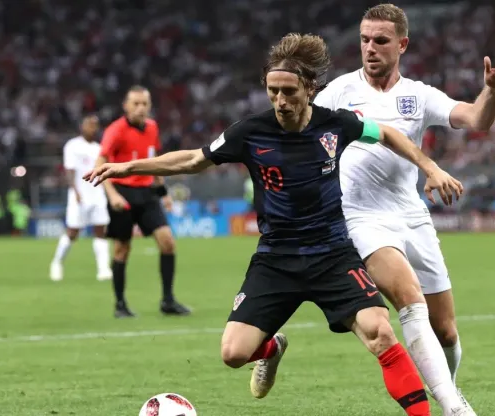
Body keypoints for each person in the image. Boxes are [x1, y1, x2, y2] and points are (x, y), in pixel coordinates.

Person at [84, 33, 472, 416]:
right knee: (233, 354)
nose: (280, 101)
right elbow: (193, 160)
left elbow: (386, 133)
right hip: (276, 259)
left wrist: (430, 167)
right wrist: (128, 167)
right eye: (273, 91)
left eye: (289, 91)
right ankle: (271, 349)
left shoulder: (335, 124)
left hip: (333, 255)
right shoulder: (250, 131)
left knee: (381, 333)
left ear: (310, 88)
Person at [313, 2, 495, 401]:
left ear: (402, 44)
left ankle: (449, 390)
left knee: (446, 330)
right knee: (410, 300)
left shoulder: (418, 95)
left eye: (380, 40)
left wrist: (492, 92)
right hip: (361, 217)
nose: (370, 48)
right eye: (364, 40)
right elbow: (302, 137)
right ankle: (453, 406)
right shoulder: (339, 91)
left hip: (412, 215)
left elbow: (476, 119)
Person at [96, 86, 191, 318]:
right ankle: (120, 305)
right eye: (136, 104)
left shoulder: (152, 128)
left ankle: (168, 301)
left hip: (147, 193)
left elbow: (154, 162)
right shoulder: (115, 130)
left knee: (167, 242)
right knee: (122, 248)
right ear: (126, 106)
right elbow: (100, 162)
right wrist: (113, 195)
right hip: (122, 192)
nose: (140, 108)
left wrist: (163, 193)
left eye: (144, 104)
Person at [50, 115, 113, 281]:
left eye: (95, 125)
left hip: (97, 195)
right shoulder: (73, 146)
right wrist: (75, 191)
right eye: (89, 125)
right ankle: (57, 262)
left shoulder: (99, 148)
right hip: (80, 195)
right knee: (73, 232)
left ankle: (103, 269)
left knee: (101, 230)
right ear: (82, 127)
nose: (93, 128)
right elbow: (69, 170)